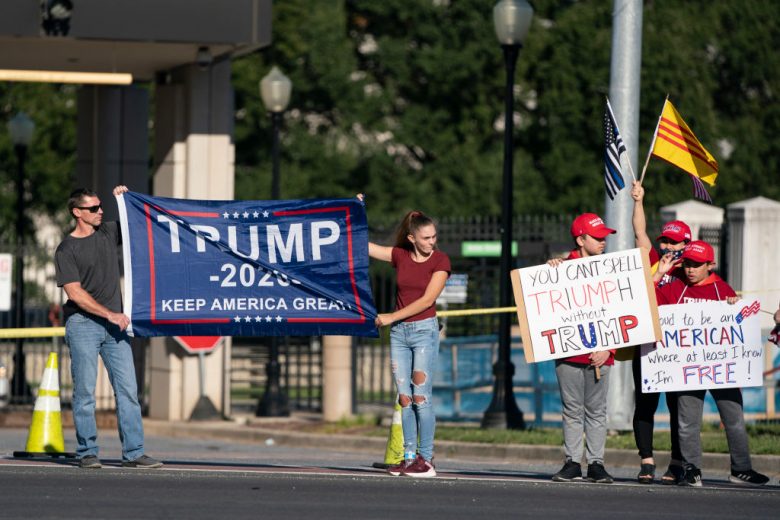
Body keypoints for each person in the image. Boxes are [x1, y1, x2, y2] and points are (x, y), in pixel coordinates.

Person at [54, 186, 162, 469]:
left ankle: (134, 452)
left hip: (114, 329)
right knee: (85, 393)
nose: (100, 211)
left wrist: (125, 198)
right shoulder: (66, 249)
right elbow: (74, 293)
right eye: (93, 208)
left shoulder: (106, 233)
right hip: (83, 325)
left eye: (100, 206)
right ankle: (87, 452)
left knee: (128, 390)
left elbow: (139, 222)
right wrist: (110, 314)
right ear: (77, 213)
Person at [655, 240, 769, 487]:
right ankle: (691, 470)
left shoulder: (722, 289)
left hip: (721, 368)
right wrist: (659, 275)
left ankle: (741, 469)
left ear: (711, 265)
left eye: (697, 265)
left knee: (734, 418)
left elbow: (740, 322)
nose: (690, 270)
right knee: (687, 421)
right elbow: (650, 305)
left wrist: (736, 308)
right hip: (687, 368)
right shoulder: (677, 288)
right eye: (687, 264)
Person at [360, 195, 450, 478]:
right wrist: (356, 210)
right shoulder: (399, 256)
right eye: (425, 238)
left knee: (421, 397)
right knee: (405, 398)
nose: (431, 242)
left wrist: (390, 317)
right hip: (400, 334)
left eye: (434, 236)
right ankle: (409, 457)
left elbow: (427, 301)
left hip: (424, 330)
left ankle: (427, 458)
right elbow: (364, 247)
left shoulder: (441, 261)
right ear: (411, 238)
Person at [630, 181, 690, 484]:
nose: (668, 246)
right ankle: (647, 459)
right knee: (645, 402)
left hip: (678, 350)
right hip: (648, 346)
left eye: (674, 243)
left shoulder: (692, 271)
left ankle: (678, 461)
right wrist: (639, 201)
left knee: (678, 405)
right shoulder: (653, 263)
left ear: (686, 246)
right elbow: (640, 233)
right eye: (665, 241)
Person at [549, 213, 616, 484]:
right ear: (580, 239)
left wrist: (609, 349)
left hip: (602, 354)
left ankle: (597, 463)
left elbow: (621, 312)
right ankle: (573, 461)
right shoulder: (559, 269)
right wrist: (551, 270)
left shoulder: (612, 271)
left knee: (597, 410)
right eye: (597, 237)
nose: (603, 242)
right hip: (569, 352)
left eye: (604, 237)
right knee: (572, 409)